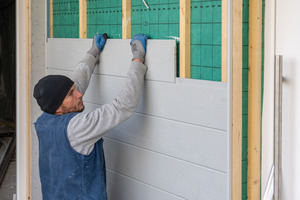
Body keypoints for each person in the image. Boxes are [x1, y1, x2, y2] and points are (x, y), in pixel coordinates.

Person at [33, 33, 148, 200]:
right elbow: (123, 105)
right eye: (72, 94)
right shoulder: (78, 127)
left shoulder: (43, 121)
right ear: (58, 108)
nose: (79, 94)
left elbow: (75, 83)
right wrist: (138, 60)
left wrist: (92, 53)